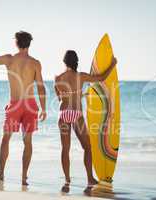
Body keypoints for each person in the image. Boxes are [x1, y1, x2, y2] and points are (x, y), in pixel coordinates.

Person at [0, 30, 47, 186]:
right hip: (30, 105)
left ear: (16, 43)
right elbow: (41, 87)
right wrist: (44, 108)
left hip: (15, 105)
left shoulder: (10, 60)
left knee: (6, 138)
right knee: (28, 141)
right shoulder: (35, 63)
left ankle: (1, 173)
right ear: (29, 44)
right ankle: (24, 177)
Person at [54, 50, 117, 194]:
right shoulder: (80, 76)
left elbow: (60, 97)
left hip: (63, 114)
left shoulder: (57, 78)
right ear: (76, 61)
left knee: (65, 149)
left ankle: (67, 180)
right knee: (87, 147)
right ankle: (89, 178)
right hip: (76, 114)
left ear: (64, 62)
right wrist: (112, 64)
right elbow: (101, 78)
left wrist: (76, 94)